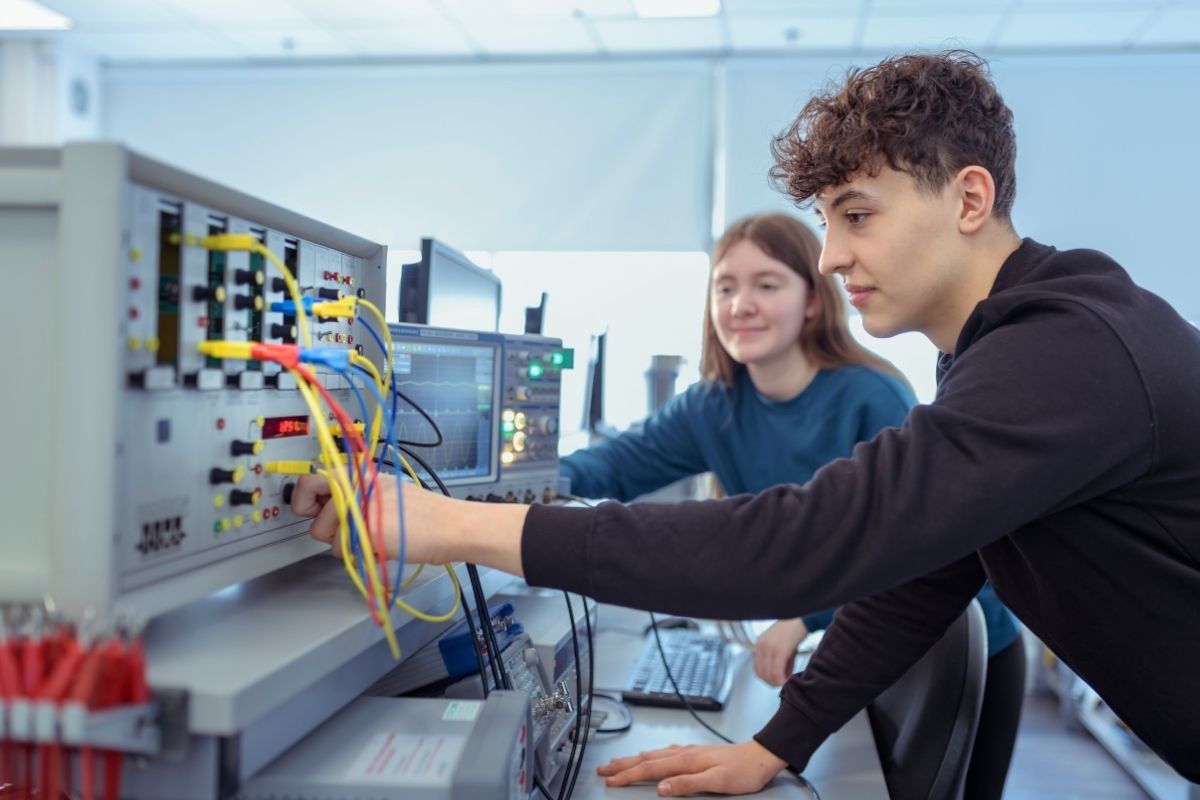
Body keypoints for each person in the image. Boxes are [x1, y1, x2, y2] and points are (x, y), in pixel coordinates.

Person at [295, 49, 1200, 795]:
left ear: (968, 199)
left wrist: (455, 526)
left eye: (857, 216)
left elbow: (808, 541)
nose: (835, 255)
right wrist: (776, 745)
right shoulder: (1005, 348)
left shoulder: (1067, 352)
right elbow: (924, 567)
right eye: (827, 222)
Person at [559, 211, 1025, 798]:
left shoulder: (870, 397)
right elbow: (613, 467)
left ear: (811, 300)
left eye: (766, 284)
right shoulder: (712, 405)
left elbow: (907, 550)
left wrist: (805, 617)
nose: (740, 303)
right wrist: (505, 490)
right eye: (725, 287)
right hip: (859, 649)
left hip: (954, 641)